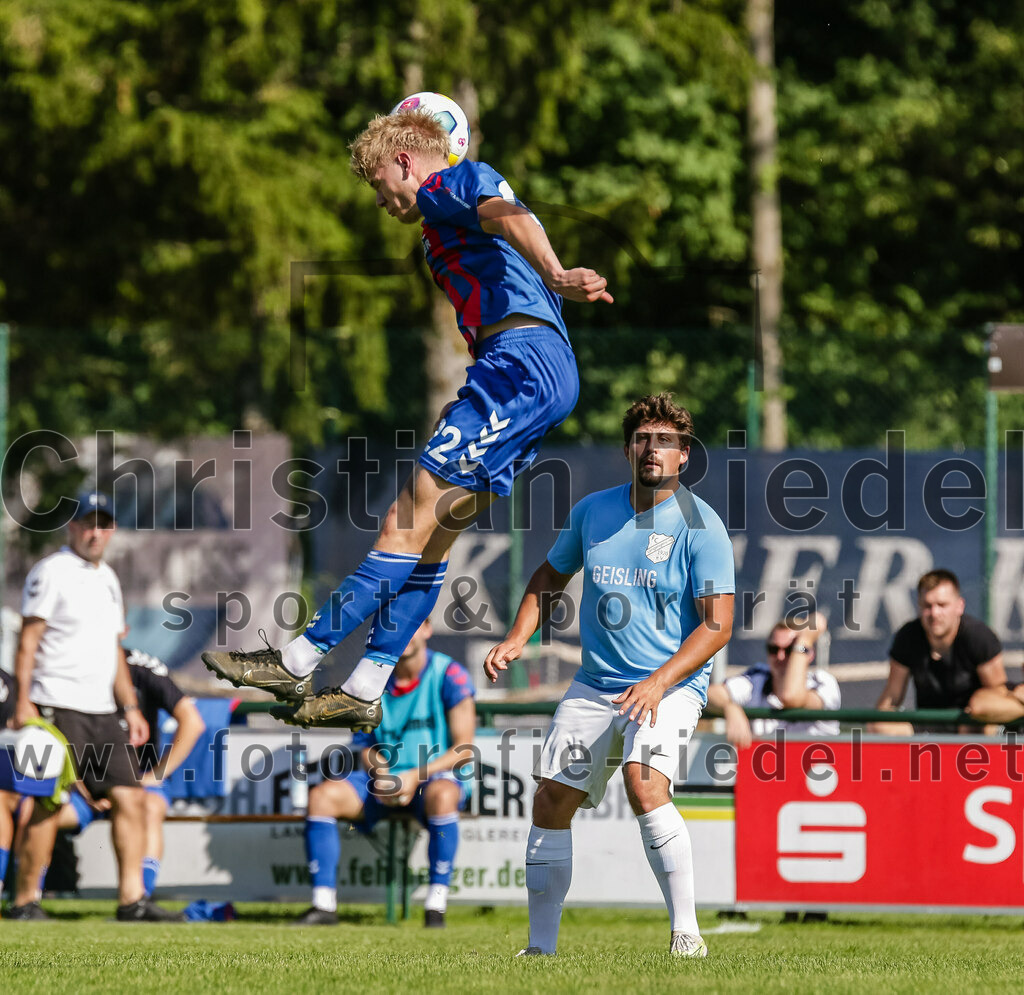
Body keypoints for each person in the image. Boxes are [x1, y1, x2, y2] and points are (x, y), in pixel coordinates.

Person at [203, 104, 612, 731]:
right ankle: (367, 684)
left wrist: (556, 273)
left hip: (520, 367)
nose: (379, 200)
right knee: (431, 539)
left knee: (404, 520)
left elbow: (508, 211)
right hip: (521, 372)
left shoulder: (450, 180)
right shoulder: (438, 221)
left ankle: (297, 656)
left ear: (405, 161)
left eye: (378, 184)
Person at [485, 394, 735, 958]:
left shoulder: (702, 526)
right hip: (597, 685)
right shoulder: (594, 510)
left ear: (684, 457)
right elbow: (550, 574)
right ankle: (539, 950)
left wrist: (659, 681)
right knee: (551, 799)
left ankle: (687, 937)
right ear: (627, 450)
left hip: (669, 687)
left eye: (666, 441)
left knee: (645, 784)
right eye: (643, 438)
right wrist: (518, 637)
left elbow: (717, 626)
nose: (653, 449)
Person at [7, 491, 181, 921]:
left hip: (103, 712)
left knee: (130, 798)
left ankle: (131, 901)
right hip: (54, 705)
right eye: (88, 523)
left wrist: (132, 708)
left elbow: (113, 651)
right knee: (47, 803)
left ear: (112, 530)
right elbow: (27, 643)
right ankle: (25, 901)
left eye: (103, 523)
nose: (95, 531)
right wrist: (22, 702)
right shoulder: (51, 571)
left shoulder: (108, 579)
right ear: (72, 527)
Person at [295, 619, 475, 928]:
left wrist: (413, 777)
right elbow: (365, 745)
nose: (403, 631)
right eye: (393, 625)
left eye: (412, 624)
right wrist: (383, 776)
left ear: (428, 629)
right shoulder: (371, 679)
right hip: (385, 780)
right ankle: (323, 906)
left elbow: (463, 750)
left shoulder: (450, 674)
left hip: (431, 780)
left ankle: (436, 907)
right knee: (322, 798)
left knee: (443, 795)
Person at [58, 648, 205, 898]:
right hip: (82, 784)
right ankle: (27, 898)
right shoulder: (70, 666)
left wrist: (155, 775)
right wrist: (81, 786)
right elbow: (53, 734)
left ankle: (138, 898)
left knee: (148, 806)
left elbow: (193, 722)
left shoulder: (140, 666)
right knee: (36, 810)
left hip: (135, 782)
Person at [870, 569, 1007, 735]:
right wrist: (879, 723)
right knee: (878, 726)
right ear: (919, 607)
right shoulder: (908, 637)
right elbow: (892, 696)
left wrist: (978, 713)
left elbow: (999, 694)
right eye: (927, 606)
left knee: (985, 726)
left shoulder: (980, 637)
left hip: (969, 723)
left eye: (942, 605)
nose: (934, 613)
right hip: (926, 724)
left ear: (959, 606)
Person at [707, 614, 838, 750]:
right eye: (774, 649)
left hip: (816, 767)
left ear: (809, 654)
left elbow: (790, 697)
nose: (780, 656)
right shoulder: (759, 678)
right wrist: (730, 707)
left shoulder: (823, 682)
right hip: (764, 767)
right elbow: (710, 693)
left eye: (789, 650)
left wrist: (804, 639)